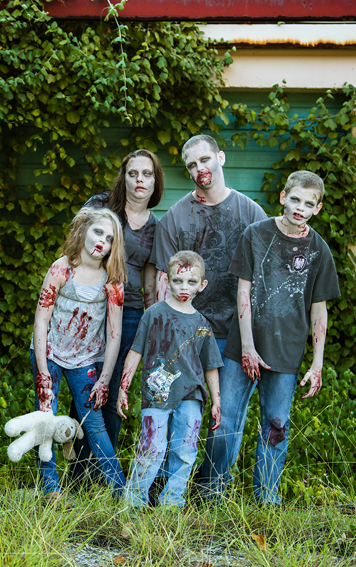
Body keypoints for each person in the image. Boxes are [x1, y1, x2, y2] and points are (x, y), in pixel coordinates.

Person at [148, 134, 267, 497]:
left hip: (236, 336)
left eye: (205, 160)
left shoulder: (251, 213)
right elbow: (162, 283)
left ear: (221, 158)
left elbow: (265, 278)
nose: (200, 169)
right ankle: (164, 486)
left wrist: (256, 339)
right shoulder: (176, 218)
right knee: (173, 412)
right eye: (191, 165)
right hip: (189, 334)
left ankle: (210, 487)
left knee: (225, 418)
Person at [218, 170, 340, 504]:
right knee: (226, 420)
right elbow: (243, 293)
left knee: (276, 426)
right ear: (284, 197)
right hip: (241, 347)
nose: (300, 208)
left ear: (317, 208)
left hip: (286, 353)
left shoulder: (319, 250)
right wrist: (246, 348)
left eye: (309, 203)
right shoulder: (255, 234)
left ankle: (266, 500)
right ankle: (212, 491)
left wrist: (316, 365)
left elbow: (319, 311)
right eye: (296, 199)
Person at [71, 149, 164, 469]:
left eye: (147, 174)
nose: (140, 180)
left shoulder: (157, 228)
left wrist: (153, 326)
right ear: (123, 178)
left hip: (130, 315)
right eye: (133, 173)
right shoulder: (100, 206)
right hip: (88, 308)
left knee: (109, 391)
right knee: (82, 382)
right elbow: (73, 249)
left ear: (156, 182)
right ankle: (76, 468)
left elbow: (150, 285)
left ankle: (97, 470)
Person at [30, 207, 128, 500]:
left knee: (95, 425)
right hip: (49, 354)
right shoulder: (62, 268)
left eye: (109, 238)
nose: (102, 241)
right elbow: (41, 319)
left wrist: (104, 379)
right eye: (98, 231)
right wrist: (43, 370)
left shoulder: (112, 281)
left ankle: (121, 491)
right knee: (46, 420)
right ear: (83, 230)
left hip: (85, 360)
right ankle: (51, 490)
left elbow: (114, 334)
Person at [117, 251, 223, 507]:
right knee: (151, 449)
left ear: (202, 285)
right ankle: (134, 501)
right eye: (177, 280)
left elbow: (210, 366)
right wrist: (123, 387)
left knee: (185, 450)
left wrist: (217, 402)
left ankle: (172, 503)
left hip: (192, 396)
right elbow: (136, 351)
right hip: (157, 395)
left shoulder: (202, 324)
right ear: (166, 280)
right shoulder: (154, 314)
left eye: (190, 282)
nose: (183, 287)